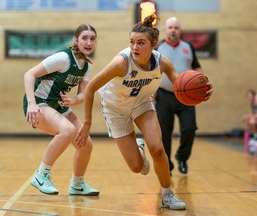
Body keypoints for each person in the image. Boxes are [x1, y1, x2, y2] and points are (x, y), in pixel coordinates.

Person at [76, 14, 199, 210]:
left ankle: (167, 195)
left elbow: (180, 85)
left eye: (141, 43)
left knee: (158, 149)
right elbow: (90, 88)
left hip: (142, 102)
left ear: (153, 44)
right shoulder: (121, 63)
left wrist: (199, 92)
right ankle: (139, 148)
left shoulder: (162, 62)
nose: (134, 47)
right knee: (136, 167)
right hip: (115, 109)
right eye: (132, 42)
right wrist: (87, 123)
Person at [23, 24, 99, 196]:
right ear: (76, 40)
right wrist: (32, 103)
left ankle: (77, 184)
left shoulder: (87, 66)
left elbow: (83, 95)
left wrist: (73, 100)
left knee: (85, 144)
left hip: (57, 105)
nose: (89, 42)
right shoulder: (63, 58)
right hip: (39, 102)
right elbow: (29, 74)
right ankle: (41, 174)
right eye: (84, 38)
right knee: (68, 131)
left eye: (92, 39)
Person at [155, 17, 205, 174]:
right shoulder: (158, 48)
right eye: (170, 27)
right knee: (164, 132)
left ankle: (182, 157)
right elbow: (151, 72)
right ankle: (167, 164)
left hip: (186, 96)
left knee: (190, 128)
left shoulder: (188, 46)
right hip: (164, 95)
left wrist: (202, 84)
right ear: (165, 30)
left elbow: (197, 68)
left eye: (176, 27)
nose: (173, 30)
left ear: (180, 30)